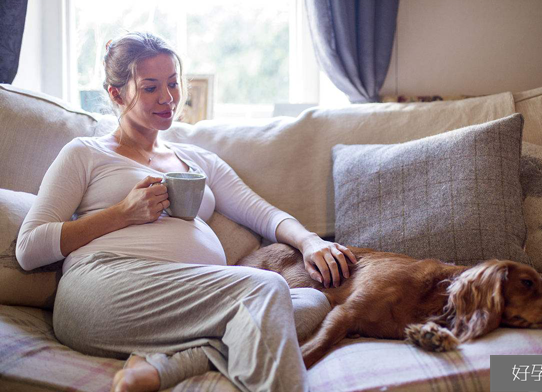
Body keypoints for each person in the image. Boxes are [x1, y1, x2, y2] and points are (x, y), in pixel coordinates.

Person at [16, 31, 356, 392]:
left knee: (312, 301)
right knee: (266, 290)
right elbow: (29, 248)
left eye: (173, 83)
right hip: (102, 288)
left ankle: (164, 368)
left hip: (187, 301)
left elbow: (262, 213)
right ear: (117, 94)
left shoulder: (197, 160)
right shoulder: (85, 153)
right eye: (150, 88)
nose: (168, 98)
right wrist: (122, 213)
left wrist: (310, 242)